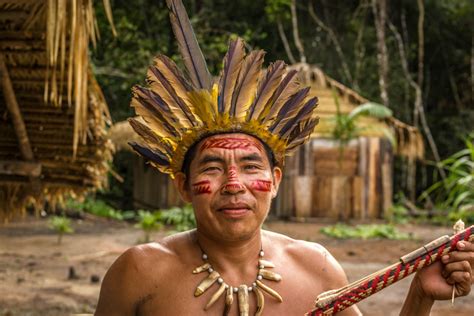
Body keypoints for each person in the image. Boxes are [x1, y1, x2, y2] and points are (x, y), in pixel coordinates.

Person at [95, 1, 473, 315]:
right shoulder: (139, 272)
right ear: (182, 186)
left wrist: (421, 294)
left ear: (275, 181)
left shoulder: (316, 266)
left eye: (250, 167)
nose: (233, 185)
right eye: (213, 167)